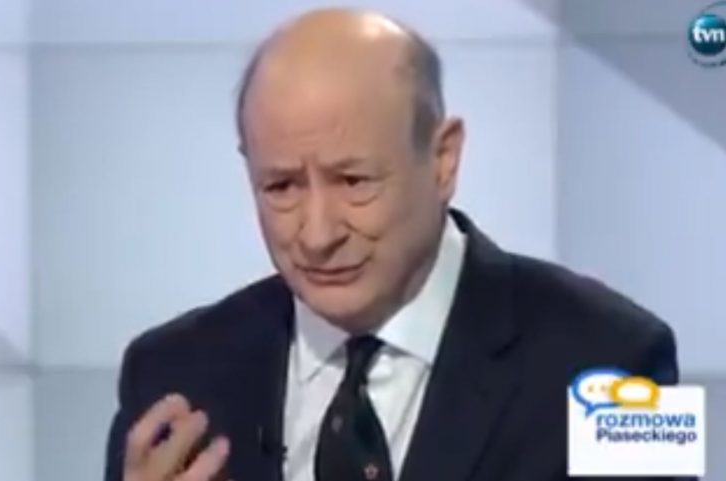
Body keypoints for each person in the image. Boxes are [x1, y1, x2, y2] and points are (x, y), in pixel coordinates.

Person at [104, 8, 692, 481]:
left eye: (353, 181)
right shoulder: (170, 376)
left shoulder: (623, 361)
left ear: (443, 159)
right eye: (281, 186)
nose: (317, 235)